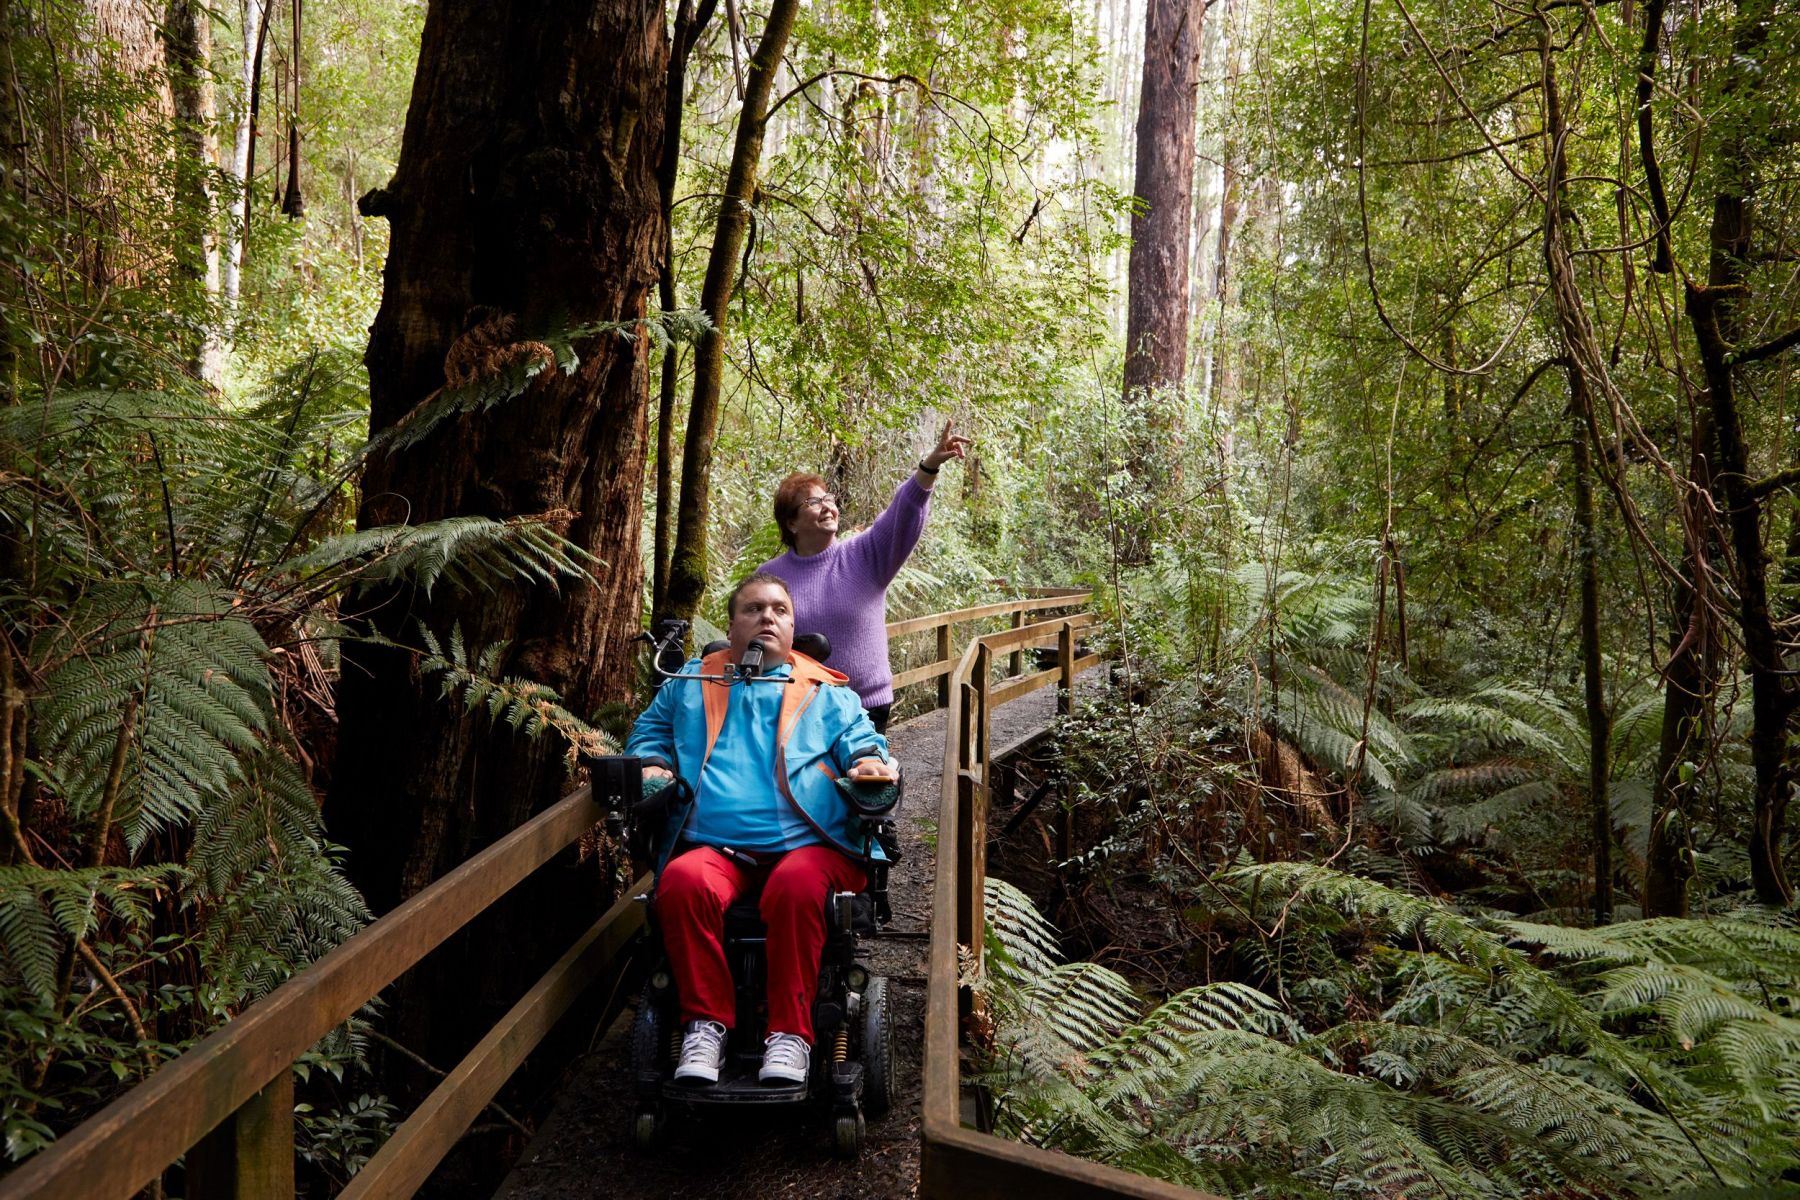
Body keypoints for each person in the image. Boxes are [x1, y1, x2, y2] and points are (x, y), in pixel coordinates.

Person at [625, 571, 898, 1086]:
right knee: (683, 883)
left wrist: (867, 763)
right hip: (716, 847)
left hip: (810, 845)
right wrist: (653, 764)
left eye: (779, 610)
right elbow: (649, 735)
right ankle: (705, 1026)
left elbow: (863, 743)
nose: (766, 617)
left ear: (794, 627)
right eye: (753, 609)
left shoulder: (825, 689)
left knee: (794, 888)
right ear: (732, 626)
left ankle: (790, 1035)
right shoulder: (690, 682)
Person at [760, 421, 971, 733]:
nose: (827, 506)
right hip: (797, 708)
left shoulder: (863, 556)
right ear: (791, 523)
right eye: (814, 501)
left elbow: (902, 515)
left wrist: (930, 465)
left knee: (867, 781)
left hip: (866, 707)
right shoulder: (769, 578)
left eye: (829, 498)